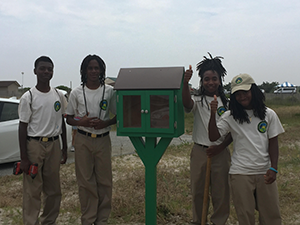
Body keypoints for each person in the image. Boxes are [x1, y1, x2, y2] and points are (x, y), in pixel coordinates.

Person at [209, 73, 284, 225]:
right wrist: (212, 114)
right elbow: (213, 136)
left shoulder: (269, 114)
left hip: (264, 171)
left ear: (254, 91)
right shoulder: (231, 116)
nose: (242, 97)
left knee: (271, 216)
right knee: (245, 216)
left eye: (245, 92)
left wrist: (274, 168)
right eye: (237, 94)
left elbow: (273, 143)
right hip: (240, 173)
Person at [66, 54, 117, 225]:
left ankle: (102, 220)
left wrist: (105, 123)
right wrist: (83, 121)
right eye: (90, 68)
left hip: (103, 140)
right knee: (86, 182)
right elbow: (69, 118)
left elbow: (118, 116)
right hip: (83, 140)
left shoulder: (109, 91)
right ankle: (88, 219)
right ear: (84, 70)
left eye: (97, 68)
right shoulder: (76, 92)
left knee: (104, 181)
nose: (94, 71)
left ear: (102, 70)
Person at [182, 53, 232, 225]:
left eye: (214, 79)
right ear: (201, 81)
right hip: (200, 151)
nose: (210, 82)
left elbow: (233, 131)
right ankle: (198, 220)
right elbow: (187, 104)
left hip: (221, 152)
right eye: (206, 79)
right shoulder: (197, 99)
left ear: (220, 80)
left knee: (221, 191)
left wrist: (220, 147)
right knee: (197, 190)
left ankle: (219, 221)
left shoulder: (228, 104)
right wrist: (184, 83)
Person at [18, 56, 68, 225]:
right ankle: (31, 222)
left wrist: (65, 148)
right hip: (34, 145)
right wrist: (24, 158)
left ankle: (48, 221)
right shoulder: (28, 97)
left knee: (53, 190)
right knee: (33, 190)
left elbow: (61, 122)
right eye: (42, 68)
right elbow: (22, 127)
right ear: (35, 71)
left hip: (54, 144)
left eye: (49, 69)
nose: (46, 72)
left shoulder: (58, 95)